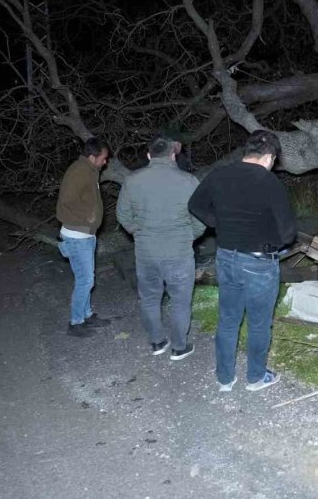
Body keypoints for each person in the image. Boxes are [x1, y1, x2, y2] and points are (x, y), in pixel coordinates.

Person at [188, 130, 296, 392]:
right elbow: (288, 233)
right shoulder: (269, 183)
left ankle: (225, 379)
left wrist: (219, 224)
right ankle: (256, 378)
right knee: (259, 323)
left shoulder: (219, 175)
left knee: (228, 319)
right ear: (269, 157)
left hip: (226, 256)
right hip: (259, 262)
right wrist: (274, 243)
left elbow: (195, 204)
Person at [117, 136, 205, 360]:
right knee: (180, 300)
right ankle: (179, 346)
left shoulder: (132, 180)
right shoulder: (188, 180)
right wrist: (189, 236)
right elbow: (202, 217)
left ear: (149, 155)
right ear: (173, 156)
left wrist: (139, 232)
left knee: (149, 298)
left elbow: (123, 215)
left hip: (146, 252)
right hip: (178, 251)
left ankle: (157, 342)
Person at [56, 137, 112, 337]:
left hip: (84, 235)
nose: (105, 162)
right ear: (92, 156)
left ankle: (87, 315)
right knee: (85, 280)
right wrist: (88, 216)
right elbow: (67, 200)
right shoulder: (79, 171)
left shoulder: (89, 170)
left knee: (87, 278)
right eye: (103, 158)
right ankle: (76, 322)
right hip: (77, 236)